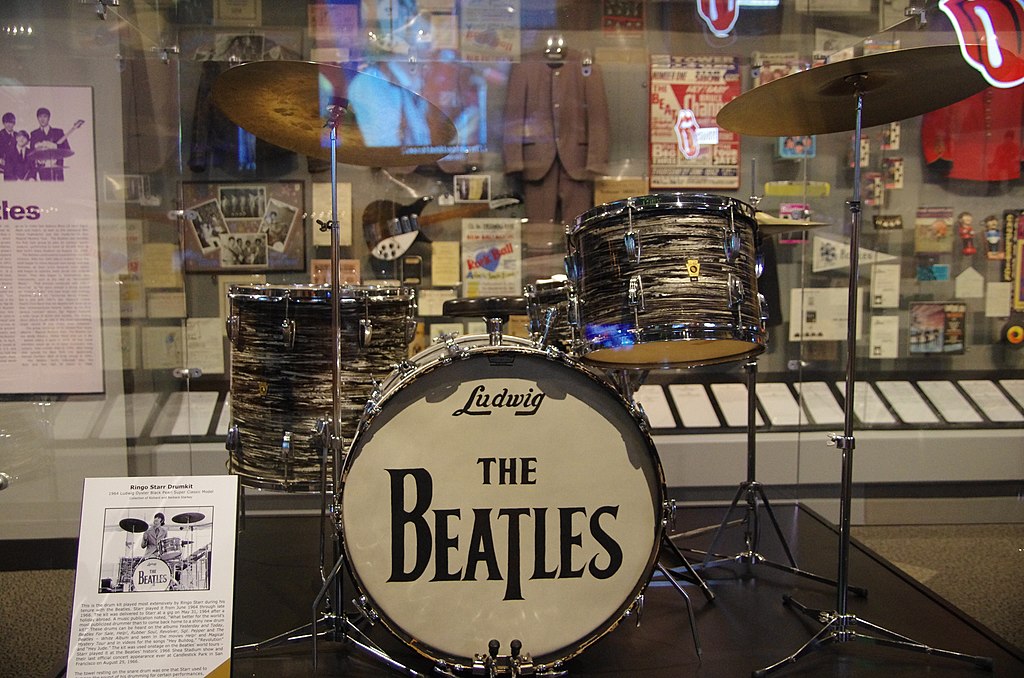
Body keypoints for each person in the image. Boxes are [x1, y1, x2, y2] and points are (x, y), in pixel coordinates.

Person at [29, 107, 71, 181]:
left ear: (49, 118)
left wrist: (55, 146)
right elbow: (32, 155)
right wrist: (32, 176)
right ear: (37, 118)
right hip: (42, 172)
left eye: (45, 116)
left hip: (57, 172)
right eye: (40, 117)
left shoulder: (58, 132)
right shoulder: (34, 134)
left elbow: (67, 149)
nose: (42, 119)